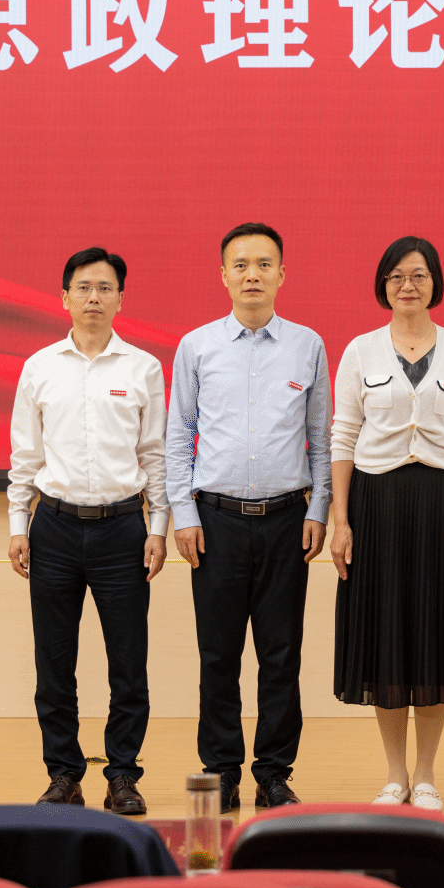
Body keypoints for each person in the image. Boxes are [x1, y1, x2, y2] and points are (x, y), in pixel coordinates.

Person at [167, 222, 332, 812]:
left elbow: (321, 438)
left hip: (288, 520)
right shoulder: (197, 346)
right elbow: (178, 435)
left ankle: (274, 773)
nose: (252, 275)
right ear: (223, 275)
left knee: (281, 656)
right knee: (218, 655)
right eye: (240, 265)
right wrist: (183, 514)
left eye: (264, 264)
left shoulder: (307, 345)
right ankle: (221, 770)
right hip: (215, 523)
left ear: (282, 274)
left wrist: (319, 508)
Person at [6, 246, 169, 814]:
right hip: (52, 528)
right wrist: (18, 524)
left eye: (104, 288)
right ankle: (63, 775)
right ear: (65, 297)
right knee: (54, 664)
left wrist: (158, 527)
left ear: (121, 298)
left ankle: (123, 775)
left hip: (123, 530)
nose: (93, 297)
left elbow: (156, 457)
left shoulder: (143, 368)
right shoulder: (40, 367)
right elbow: (25, 456)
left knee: (129, 663)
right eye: (83, 287)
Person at [329, 236, 444, 811]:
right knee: (386, 636)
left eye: (419, 275)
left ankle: (425, 774)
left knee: (436, 636)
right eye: (396, 276)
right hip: (377, 505)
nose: (408, 285)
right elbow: (343, 437)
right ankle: (394, 773)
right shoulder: (360, 351)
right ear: (383, 285)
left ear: (435, 282)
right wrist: (340, 520)